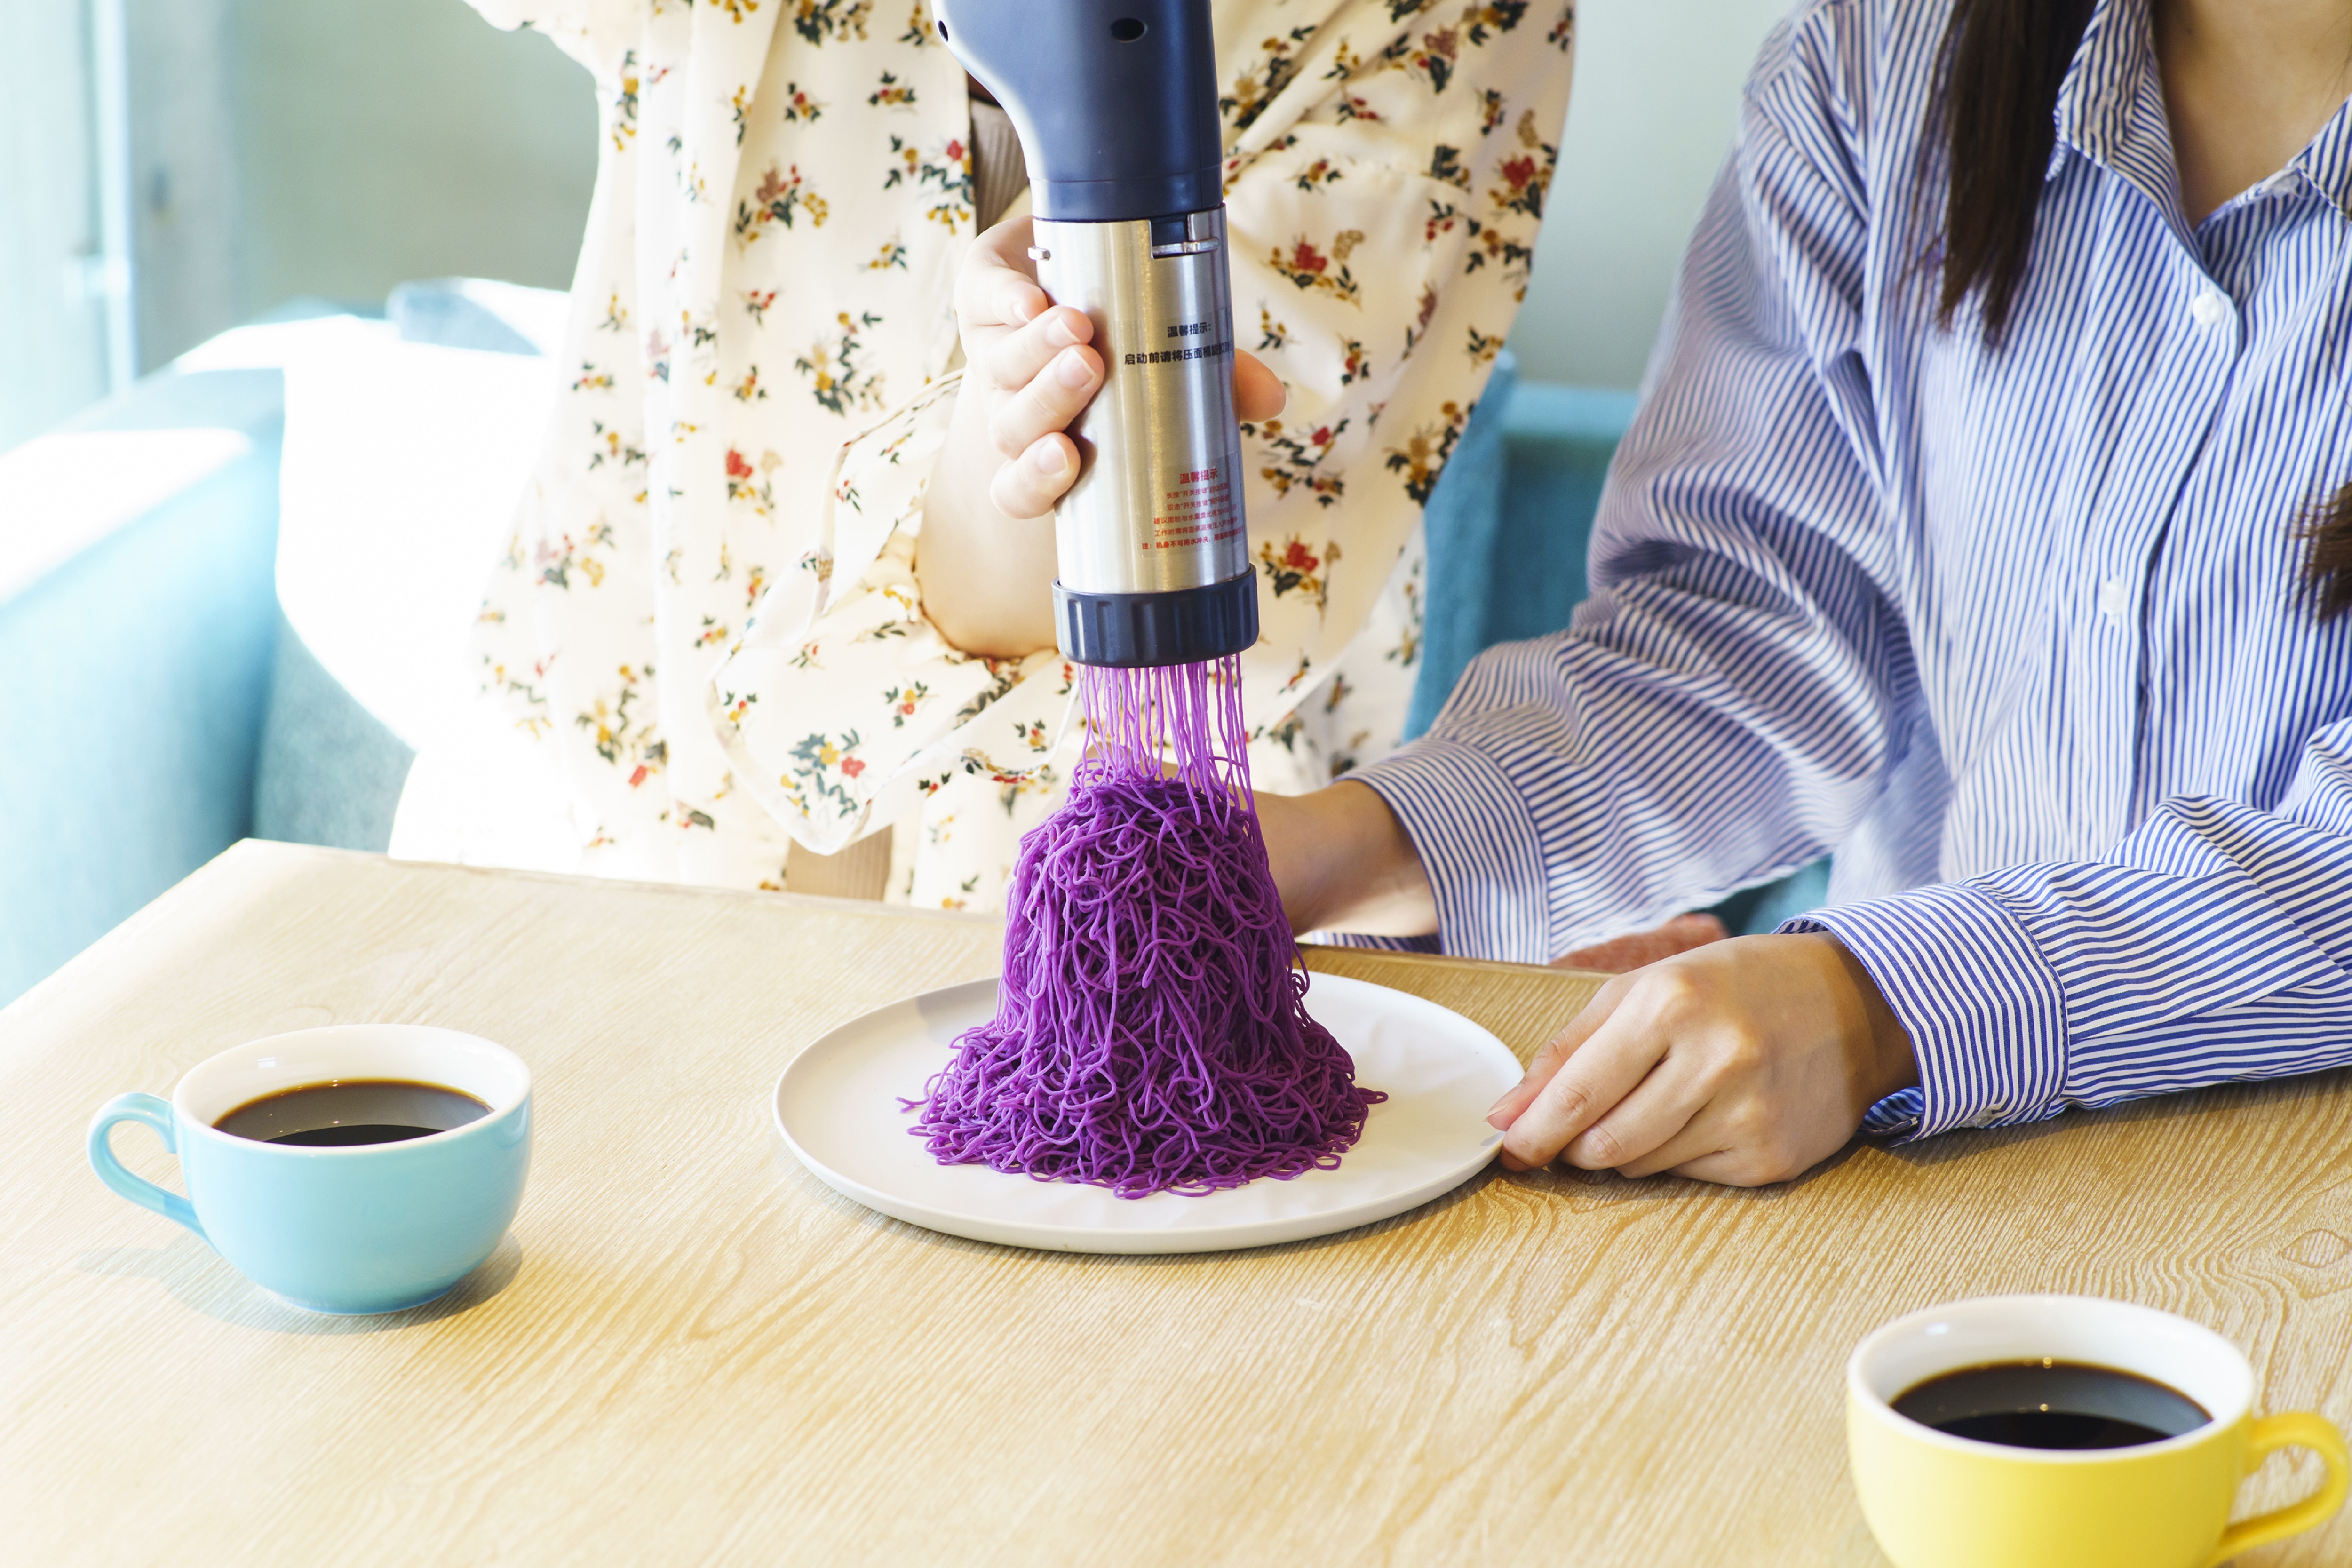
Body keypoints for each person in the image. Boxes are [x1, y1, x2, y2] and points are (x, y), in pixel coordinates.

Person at [1255, 0, 2352, 1186]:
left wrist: (1885, 1000)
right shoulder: (1877, 62)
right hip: (1933, 1198)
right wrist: (1355, 842)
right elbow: (1747, 633)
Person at [394, 0, 1575, 914]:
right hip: (609, 807)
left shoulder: (1421, 25)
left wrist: (1043, 403)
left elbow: (1054, 579)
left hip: (1107, 902)